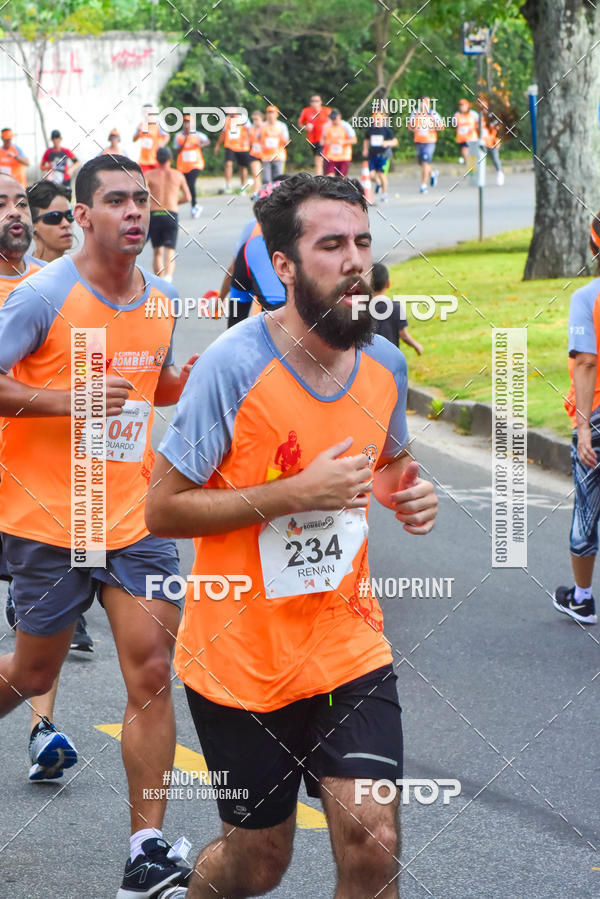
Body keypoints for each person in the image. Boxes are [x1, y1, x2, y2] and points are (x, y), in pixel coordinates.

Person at [146, 173, 438, 899]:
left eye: (363, 243)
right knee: (258, 862)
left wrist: (411, 493)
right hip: (240, 660)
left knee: (373, 835)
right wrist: (291, 493)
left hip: (348, 645)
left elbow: (389, 465)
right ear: (284, 266)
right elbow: (163, 509)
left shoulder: (386, 364)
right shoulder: (232, 367)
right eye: (331, 244)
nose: (354, 261)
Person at [0, 154, 197, 896]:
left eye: (141, 199)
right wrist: (68, 401)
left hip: (135, 515)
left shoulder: (165, 298)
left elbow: (157, 384)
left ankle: (145, 849)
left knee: (150, 670)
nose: (134, 212)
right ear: (81, 216)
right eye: (116, 200)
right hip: (51, 516)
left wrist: (197, 380)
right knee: (32, 672)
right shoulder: (41, 293)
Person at [554, 212, 600, 626]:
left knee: (588, 506)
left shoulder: (587, 297)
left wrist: (584, 426)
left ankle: (583, 598)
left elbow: (586, 361)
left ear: (593, 245)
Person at [145, 146, 191, 282]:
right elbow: (188, 197)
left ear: (156, 159)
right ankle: (168, 280)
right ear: (170, 159)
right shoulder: (178, 175)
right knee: (169, 251)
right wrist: (174, 202)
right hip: (171, 214)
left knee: (157, 252)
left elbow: (143, 194)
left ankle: (159, 284)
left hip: (155, 215)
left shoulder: (149, 175)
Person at [371, 262, 423, 354]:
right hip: (391, 359)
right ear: (388, 284)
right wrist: (416, 345)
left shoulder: (361, 309)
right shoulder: (395, 307)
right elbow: (403, 335)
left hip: (369, 359)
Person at [26, 180, 74, 264]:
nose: (66, 224)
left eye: (69, 215)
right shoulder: (26, 275)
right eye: (54, 217)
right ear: (32, 225)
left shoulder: (82, 272)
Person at [174, 113, 209, 218]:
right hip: (183, 166)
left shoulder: (197, 135)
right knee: (185, 186)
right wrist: (185, 139)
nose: (187, 125)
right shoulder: (178, 136)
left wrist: (200, 144)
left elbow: (207, 141)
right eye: (185, 123)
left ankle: (194, 206)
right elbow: (177, 151)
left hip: (196, 164)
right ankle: (196, 205)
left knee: (191, 184)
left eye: (189, 123)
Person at [407, 97, 444, 194]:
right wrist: (413, 128)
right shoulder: (415, 113)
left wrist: (434, 126)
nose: (423, 105)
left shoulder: (433, 114)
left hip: (429, 141)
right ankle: (432, 173)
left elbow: (441, 126)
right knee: (422, 163)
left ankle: (423, 186)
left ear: (429, 105)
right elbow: (410, 125)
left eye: (426, 103)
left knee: (424, 162)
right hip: (419, 141)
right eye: (422, 103)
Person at [363, 111, 398, 201]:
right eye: (376, 119)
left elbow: (395, 142)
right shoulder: (370, 130)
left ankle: (384, 193)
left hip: (384, 155)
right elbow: (366, 140)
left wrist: (387, 143)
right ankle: (378, 183)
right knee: (371, 175)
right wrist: (365, 149)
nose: (377, 121)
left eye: (379, 119)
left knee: (382, 174)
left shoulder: (387, 130)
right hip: (372, 155)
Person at [214, 112, 251, 193]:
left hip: (242, 147)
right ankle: (228, 185)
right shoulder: (226, 119)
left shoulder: (244, 118)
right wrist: (217, 145)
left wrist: (249, 142)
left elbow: (249, 131)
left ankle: (243, 186)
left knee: (243, 167)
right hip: (230, 145)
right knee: (228, 164)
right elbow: (223, 133)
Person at [298, 94, 332, 175]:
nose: (314, 103)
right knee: (321, 161)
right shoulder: (306, 111)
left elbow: (333, 123)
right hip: (312, 140)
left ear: (320, 102)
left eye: (316, 101)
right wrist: (306, 127)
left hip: (324, 140)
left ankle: (319, 180)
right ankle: (324, 178)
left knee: (318, 160)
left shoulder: (327, 111)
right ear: (310, 103)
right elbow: (300, 123)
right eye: (312, 101)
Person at [40, 130, 78, 198]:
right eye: (53, 138)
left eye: (57, 138)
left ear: (60, 139)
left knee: (66, 199)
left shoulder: (66, 151)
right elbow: (41, 167)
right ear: (51, 140)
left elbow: (77, 162)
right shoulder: (48, 152)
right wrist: (48, 167)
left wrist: (71, 169)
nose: (55, 140)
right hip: (52, 181)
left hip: (65, 180)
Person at [133, 103, 167, 174]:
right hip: (143, 160)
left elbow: (166, 137)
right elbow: (134, 139)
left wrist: (160, 146)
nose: (147, 113)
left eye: (148, 111)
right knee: (144, 181)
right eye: (145, 111)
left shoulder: (158, 124)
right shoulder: (141, 125)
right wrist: (139, 131)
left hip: (155, 159)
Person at [321, 109, 357, 177]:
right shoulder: (326, 126)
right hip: (330, 157)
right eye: (332, 119)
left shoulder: (346, 126)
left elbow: (354, 140)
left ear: (339, 116)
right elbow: (321, 141)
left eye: (335, 119)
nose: (334, 121)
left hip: (344, 157)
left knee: (341, 179)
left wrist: (343, 142)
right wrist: (327, 142)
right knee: (330, 177)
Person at [259, 105, 289, 186]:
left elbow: (286, 141)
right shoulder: (262, 126)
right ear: (266, 114)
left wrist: (283, 139)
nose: (271, 115)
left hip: (278, 155)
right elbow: (257, 139)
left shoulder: (282, 126)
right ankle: (266, 196)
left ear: (277, 114)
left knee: (278, 178)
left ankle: (277, 196)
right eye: (269, 113)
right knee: (266, 179)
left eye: (272, 113)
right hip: (265, 156)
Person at [480, 112, 505, 186]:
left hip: (493, 142)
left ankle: (500, 173)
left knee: (494, 159)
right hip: (483, 142)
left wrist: (494, 125)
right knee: (479, 158)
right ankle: (478, 177)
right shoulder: (479, 116)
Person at [454, 98, 478, 165]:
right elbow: (454, 125)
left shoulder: (473, 114)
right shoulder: (457, 115)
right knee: (465, 152)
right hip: (462, 138)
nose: (462, 107)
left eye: (463, 105)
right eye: (460, 105)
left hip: (472, 138)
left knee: (470, 153)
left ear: (467, 106)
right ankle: (470, 166)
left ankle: (471, 167)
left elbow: (479, 124)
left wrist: (473, 128)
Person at [247, 110, 264, 197]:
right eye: (253, 119)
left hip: (266, 155)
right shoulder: (251, 129)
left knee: (266, 177)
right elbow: (249, 141)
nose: (254, 121)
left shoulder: (265, 127)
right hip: (254, 154)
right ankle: (256, 193)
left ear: (261, 119)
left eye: (256, 119)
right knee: (256, 174)